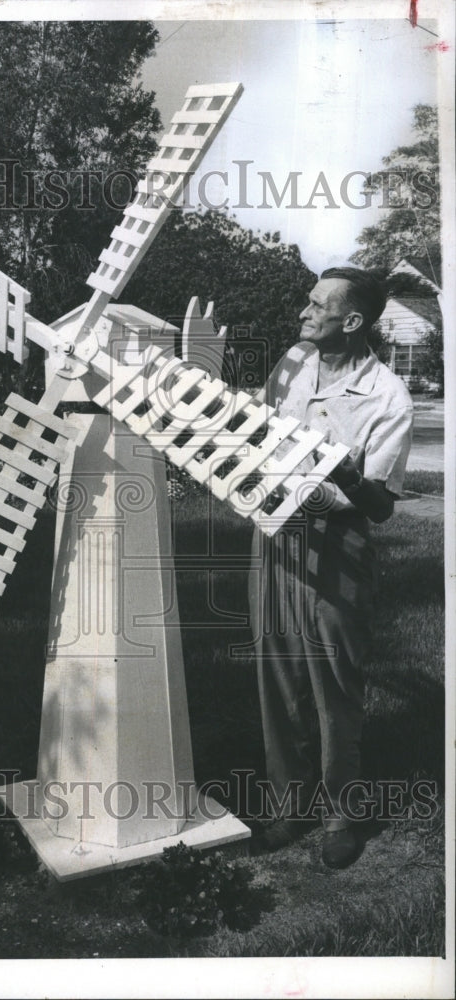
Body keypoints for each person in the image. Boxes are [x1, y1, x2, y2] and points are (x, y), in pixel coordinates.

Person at [248, 266, 413, 869]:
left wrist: (341, 471)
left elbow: (380, 506)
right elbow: (256, 431)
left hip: (338, 540)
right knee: (280, 675)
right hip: (275, 534)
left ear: (352, 322)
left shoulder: (388, 396)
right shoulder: (293, 362)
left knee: (334, 684)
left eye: (317, 307)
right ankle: (292, 806)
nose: (303, 313)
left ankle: (344, 812)